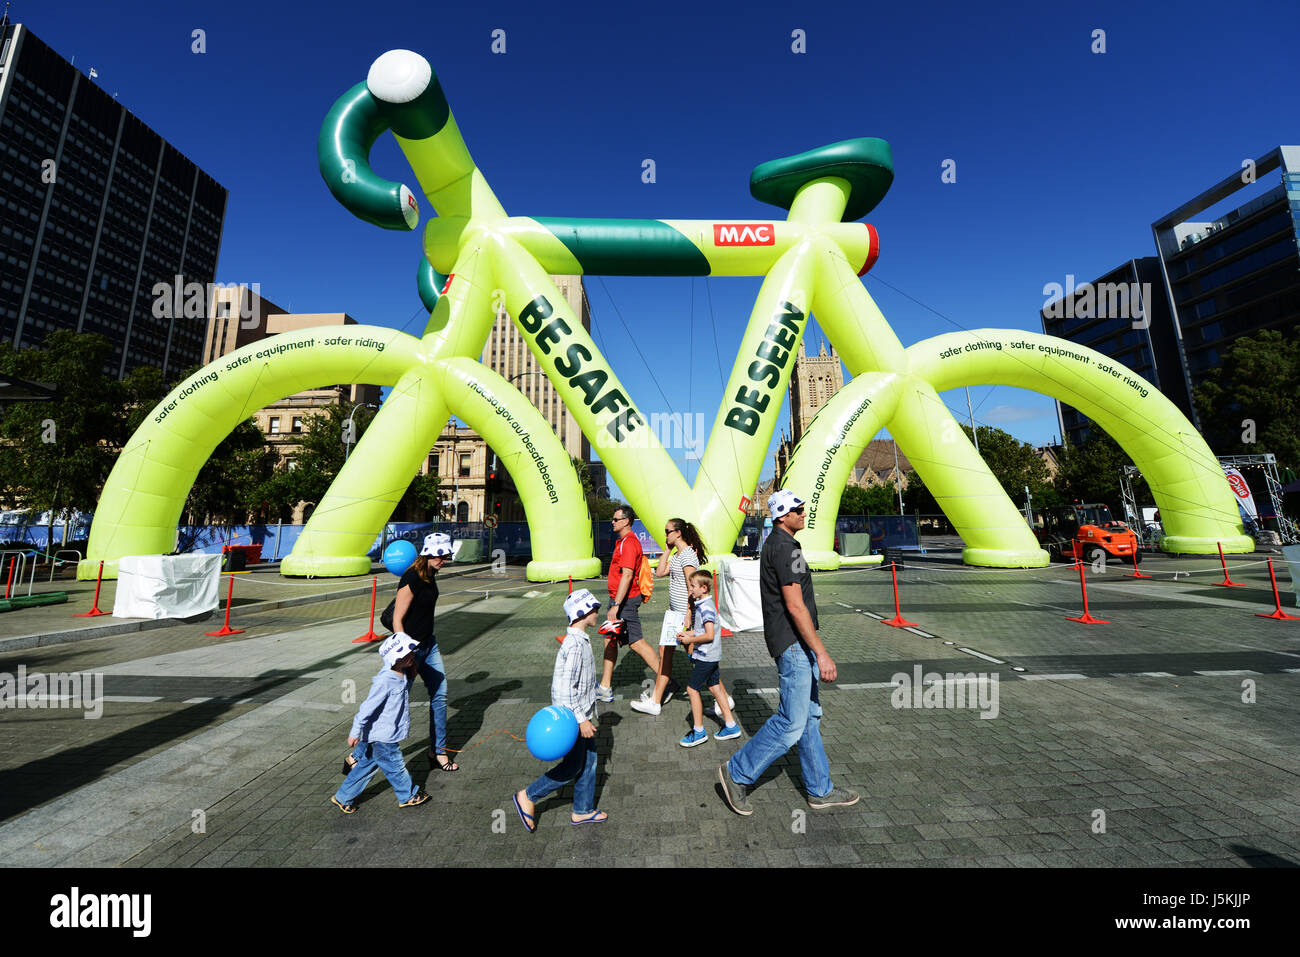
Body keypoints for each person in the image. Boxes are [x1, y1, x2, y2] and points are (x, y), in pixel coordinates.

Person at [717, 489, 858, 816]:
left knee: (809, 719)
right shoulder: (785, 547)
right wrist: (821, 653)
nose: (803, 512)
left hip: (792, 643)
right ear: (782, 515)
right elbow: (795, 606)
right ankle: (736, 772)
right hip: (794, 644)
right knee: (792, 722)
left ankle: (819, 789)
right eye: (798, 509)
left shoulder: (778, 545)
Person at [512, 588, 608, 830]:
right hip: (572, 719)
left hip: (578, 715)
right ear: (583, 611)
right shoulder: (575, 644)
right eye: (594, 608)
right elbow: (565, 689)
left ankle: (582, 810)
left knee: (589, 761)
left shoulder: (579, 640)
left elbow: (580, 680)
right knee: (573, 766)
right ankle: (529, 795)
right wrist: (581, 721)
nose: (598, 612)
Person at [331, 632, 430, 813]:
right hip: (382, 736)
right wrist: (355, 731)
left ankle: (342, 796)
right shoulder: (385, 680)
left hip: (384, 733)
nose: (411, 655)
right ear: (394, 659)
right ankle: (407, 795)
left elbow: (401, 694)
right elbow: (367, 707)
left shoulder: (400, 673)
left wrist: (412, 676)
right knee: (395, 766)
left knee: (365, 767)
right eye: (405, 654)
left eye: (410, 651)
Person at [391, 531, 460, 772]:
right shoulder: (412, 577)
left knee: (440, 695)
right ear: (428, 554)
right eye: (441, 556)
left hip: (429, 645)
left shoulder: (431, 574)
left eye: (446, 556)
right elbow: (397, 619)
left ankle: (438, 752)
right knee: (395, 701)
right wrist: (404, 653)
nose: (444, 560)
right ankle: (360, 753)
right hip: (409, 650)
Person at [632, 517, 715, 715]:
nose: (665, 534)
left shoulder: (687, 556)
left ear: (678, 533)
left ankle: (722, 698)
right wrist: (667, 550)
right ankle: (655, 701)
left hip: (683, 615)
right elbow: (660, 572)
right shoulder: (678, 555)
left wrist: (688, 613)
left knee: (696, 657)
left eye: (668, 531)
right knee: (666, 653)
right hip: (674, 614)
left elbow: (692, 587)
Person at [596, 506, 660, 702]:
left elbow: (628, 574)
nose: (612, 522)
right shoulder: (622, 542)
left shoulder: (629, 543)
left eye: (615, 519)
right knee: (610, 639)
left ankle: (665, 679)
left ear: (626, 521)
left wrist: (616, 604)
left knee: (636, 642)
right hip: (620, 600)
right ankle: (605, 686)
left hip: (624, 602)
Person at [676, 570, 740, 747]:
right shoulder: (704, 604)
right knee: (715, 686)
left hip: (706, 656)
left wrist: (690, 639)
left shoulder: (705, 608)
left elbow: (709, 635)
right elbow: (703, 631)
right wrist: (687, 633)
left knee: (692, 689)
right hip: (711, 655)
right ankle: (731, 725)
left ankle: (698, 731)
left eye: (693, 586)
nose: (690, 590)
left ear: (704, 588)